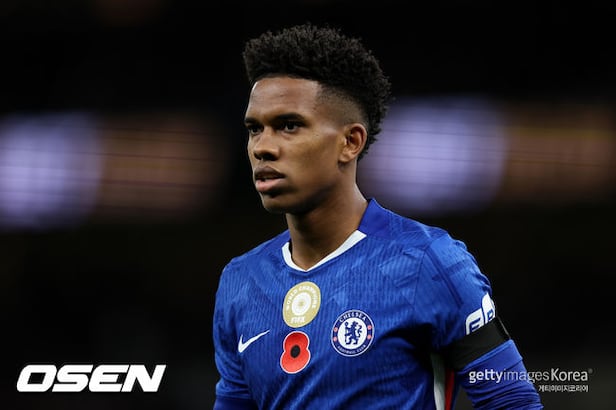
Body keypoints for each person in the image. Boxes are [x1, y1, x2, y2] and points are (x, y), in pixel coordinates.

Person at [213, 23, 543, 409]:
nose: (262, 147)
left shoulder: (428, 262)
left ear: (350, 142)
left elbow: (512, 400)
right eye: (255, 129)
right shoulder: (240, 281)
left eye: (289, 126)